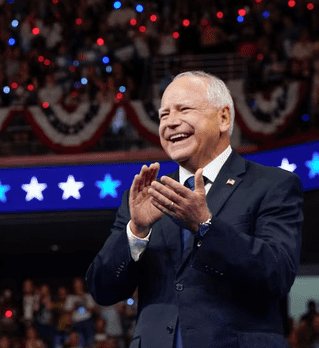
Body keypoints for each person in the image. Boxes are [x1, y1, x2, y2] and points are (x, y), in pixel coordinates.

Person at [86, 71, 303, 348]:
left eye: (183, 109)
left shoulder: (273, 185)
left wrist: (205, 225)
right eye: (163, 115)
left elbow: (277, 276)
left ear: (223, 118)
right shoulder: (145, 196)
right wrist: (136, 232)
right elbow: (102, 290)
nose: (170, 122)